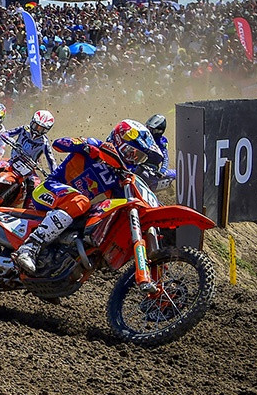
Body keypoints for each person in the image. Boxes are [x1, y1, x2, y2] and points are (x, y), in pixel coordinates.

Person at [11, 119, 163, 277]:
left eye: (138, 158)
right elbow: (59, 144)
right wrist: (85, 146)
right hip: (48, 190)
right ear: (119, 141)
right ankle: (29, 248)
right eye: (131, 153)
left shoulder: (119, 176)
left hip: (72, 210)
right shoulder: (95, 146)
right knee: (81, 201)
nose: (132, 159)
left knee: (96, 217)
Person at [140, 114, 176, 186]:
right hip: (136, 162)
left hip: (151, 168)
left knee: (146, 176)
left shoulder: (162, 142)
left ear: (159, 131)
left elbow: (165, 157)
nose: (148, 130)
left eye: (151, 129)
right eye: (148, 127)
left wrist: (162, 171)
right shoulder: (142, 135)